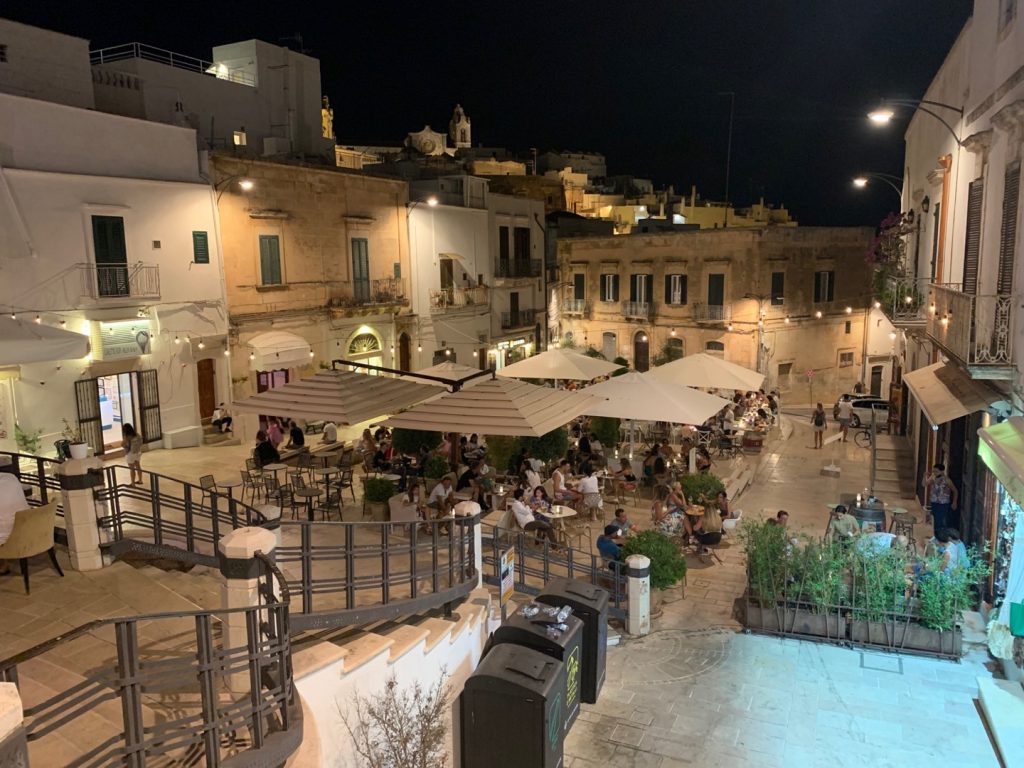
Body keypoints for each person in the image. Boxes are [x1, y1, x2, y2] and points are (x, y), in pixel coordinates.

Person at [924, 463, 958, 534]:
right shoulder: (933, 478)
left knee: (941, 521)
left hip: (943, 503)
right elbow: (924, 484)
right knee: (935, 520)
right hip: (934, 502)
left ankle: (942, 536)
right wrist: (925, 476)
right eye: (934, 471)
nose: (935, 473)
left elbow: (955, 491)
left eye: (936, 471)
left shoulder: (947, 480)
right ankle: (936, 535)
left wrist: (954, 502)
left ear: (942, 471)